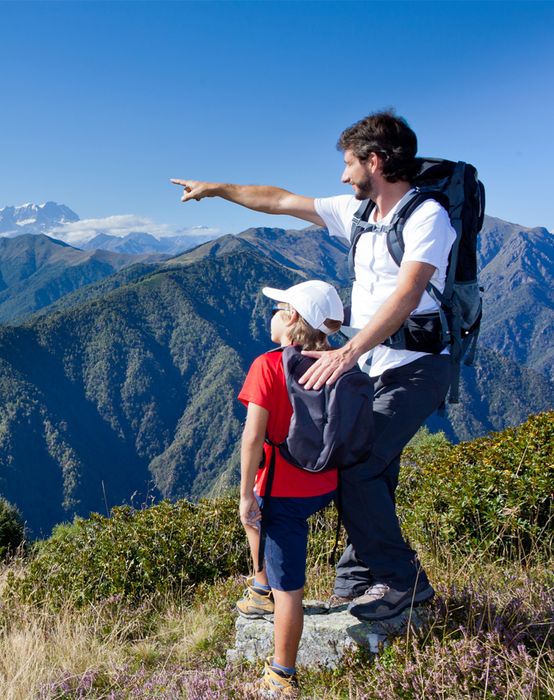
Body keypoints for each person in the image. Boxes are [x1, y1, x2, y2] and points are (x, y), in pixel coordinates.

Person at [172, 110, 453, 622]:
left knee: (359, 463)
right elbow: (279, 200)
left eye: (349, 164)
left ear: (375, 160)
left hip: (417, 366)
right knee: (366, 462)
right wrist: (216, 189)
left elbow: (410, 292)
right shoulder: (359, 213)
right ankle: (357, 576)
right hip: (370, 366)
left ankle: (403, 582)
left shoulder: (427, 216)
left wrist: (347, 350)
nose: (344, 176)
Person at [236, 280, 344, 697]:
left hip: (282, 490)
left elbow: (252, 438)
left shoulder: (267, 365)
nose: (274, 314)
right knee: (259, 516)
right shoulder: (336, 361)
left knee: (290, 590)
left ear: (293, 318)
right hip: (326, 481)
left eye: (280, 308)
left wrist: (245, 494)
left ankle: (282, 675)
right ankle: (261, 586)